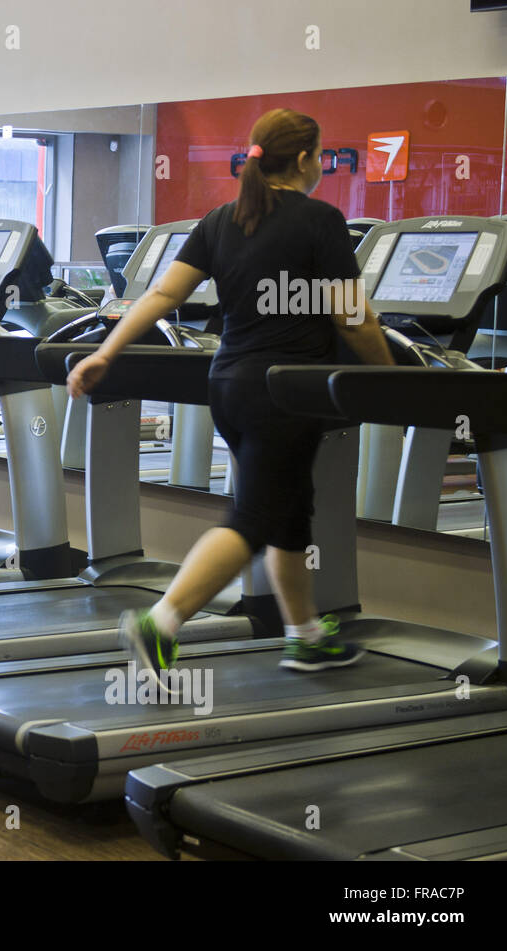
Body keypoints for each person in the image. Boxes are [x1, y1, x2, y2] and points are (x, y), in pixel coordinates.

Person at [67, 108, 395, 679]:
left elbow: (161, 295)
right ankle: (162, 622)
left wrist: (105, 351)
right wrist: (394, 382)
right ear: (302, 160)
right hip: (285, 394)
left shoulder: (221, 220)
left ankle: (306, 635)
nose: (321, 165)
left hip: (229, 386)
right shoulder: (321, 220)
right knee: (252, 518)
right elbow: (353, 320)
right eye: (319, 156)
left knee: (288, 513)